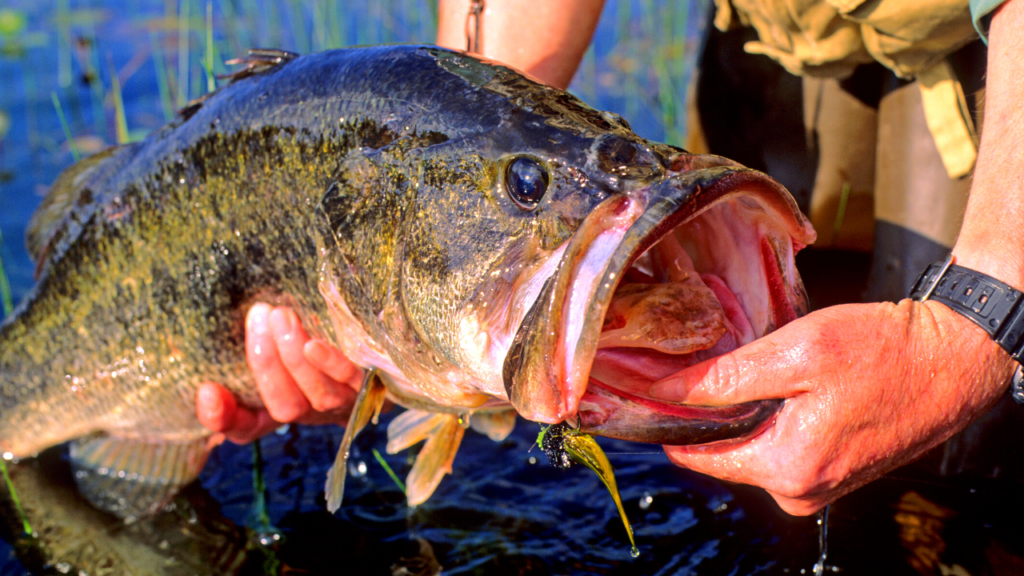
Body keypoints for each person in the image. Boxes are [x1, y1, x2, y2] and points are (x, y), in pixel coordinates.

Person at [197, 0, 1024, 516]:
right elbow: (474, 115)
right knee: (761, 434)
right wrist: (413, 331)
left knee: (963, 441)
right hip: (787, 24)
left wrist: (983, 312)